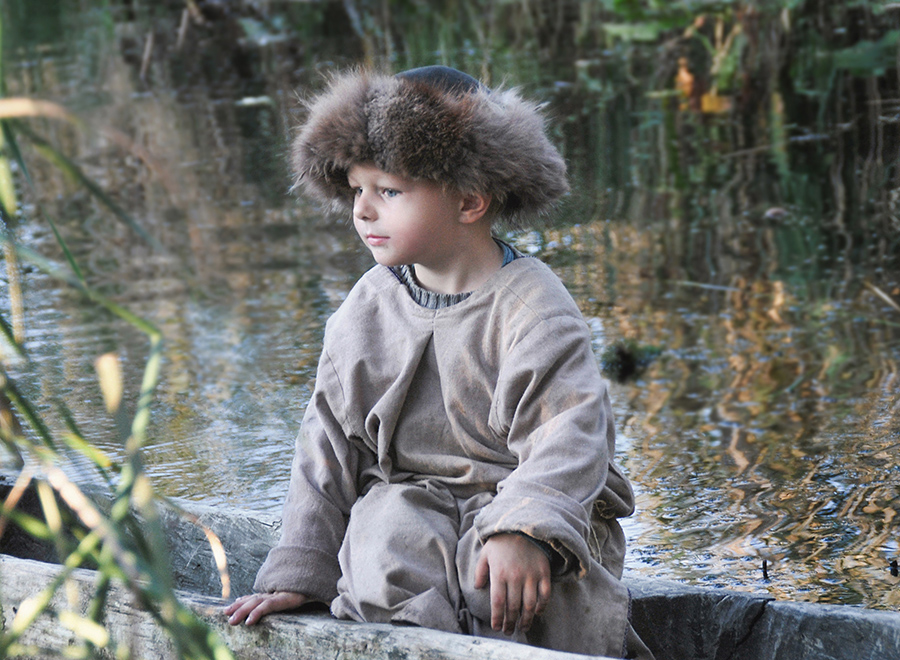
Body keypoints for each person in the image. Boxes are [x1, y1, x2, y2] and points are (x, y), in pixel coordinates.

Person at [224, 65, 653, 659]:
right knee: (383, 537)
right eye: (357, 190)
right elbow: (328, 445)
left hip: (526, 504)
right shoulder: (367, 307)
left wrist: (524, 527)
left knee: (512, 589)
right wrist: (300, 570)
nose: (362, 211)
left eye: (389, 191)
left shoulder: (532, 307)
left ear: (470, 200)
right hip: (415, 501)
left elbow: (571, 434)